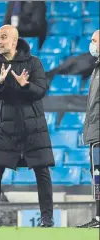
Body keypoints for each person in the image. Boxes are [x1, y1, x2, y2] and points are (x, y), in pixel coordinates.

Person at [0, 25, 55, 227]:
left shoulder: (34, 63)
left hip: (34, 127)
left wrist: (25, 85)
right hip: (4, 128)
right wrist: (0, 82)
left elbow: (41, 90)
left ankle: (47, 218)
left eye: (3, 37)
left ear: (14, 41)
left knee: (42, 172)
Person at [77, 30, 100, 228]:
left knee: (99, 175)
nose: (91, 44)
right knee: (97, 176)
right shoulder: (97, 68)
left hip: (98, 132)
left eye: (94, 40)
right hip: (95, 131)